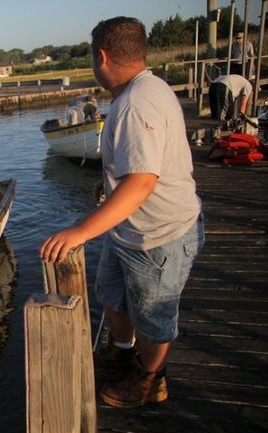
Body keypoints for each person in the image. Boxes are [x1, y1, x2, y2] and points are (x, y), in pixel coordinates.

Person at [39, 17, 204, 409]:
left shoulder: (135, 103)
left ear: (102, 55)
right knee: (112, 293)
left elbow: (142, 183)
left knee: (153, 315)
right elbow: (138, 168)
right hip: (129, 229)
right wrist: (109, 183)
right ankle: (123, 350)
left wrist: (80, 231)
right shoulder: (145, 88)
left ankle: (151, 380)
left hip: (158, 236)